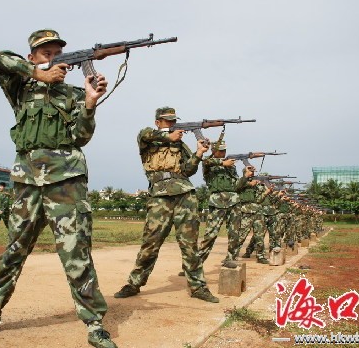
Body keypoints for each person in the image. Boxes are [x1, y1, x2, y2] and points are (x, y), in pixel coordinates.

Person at [0, 29, 119, 348]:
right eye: (45, 53)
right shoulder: (21, 88)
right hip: (26, 182)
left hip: (65, 182)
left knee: (76, 255)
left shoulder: (71, 94)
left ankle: (94, 324)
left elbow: (81, 138)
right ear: (32, 57)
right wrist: (37, 73)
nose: (53, 57)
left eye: (57, 52)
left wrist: (89, 102)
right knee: (13, 252)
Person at [114, 107, 219, 303]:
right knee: (150, 243)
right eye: (167, 120)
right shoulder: (147, 137)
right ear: (158, 122)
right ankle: (134, 283)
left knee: (189, 245)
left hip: (184, 194)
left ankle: (197, 287)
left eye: (173, 120)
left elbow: (188, 170)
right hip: (160, 196)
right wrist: (168, 137)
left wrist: (198, 153)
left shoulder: (180, 144)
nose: (171, 123)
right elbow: (145, 134)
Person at [198, 140, 242, 269]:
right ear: (213, 150)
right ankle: (195, 264)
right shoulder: (208, 163)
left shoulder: (231, 166)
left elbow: (236, 185)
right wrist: (223, 163)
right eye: (221, 150)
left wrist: (245, 177)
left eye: (224, 150)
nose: (223, 152)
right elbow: (205, 161)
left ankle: (231, 258)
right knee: (210, 234)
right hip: (217, 201)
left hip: (233, 200)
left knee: (234, 233)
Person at [237, 166, 273, 264]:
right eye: (250, 171)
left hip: (257, 212)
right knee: (241, 235)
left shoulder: (255, 184)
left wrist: (266, 192)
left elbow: (258, 200)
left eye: (253, 171)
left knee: (259, 236)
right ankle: (232, 256)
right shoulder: (241, 181)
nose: (252, 173)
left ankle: (260, 256)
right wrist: (246, 177)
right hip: (246, 211)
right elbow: (238, 186)